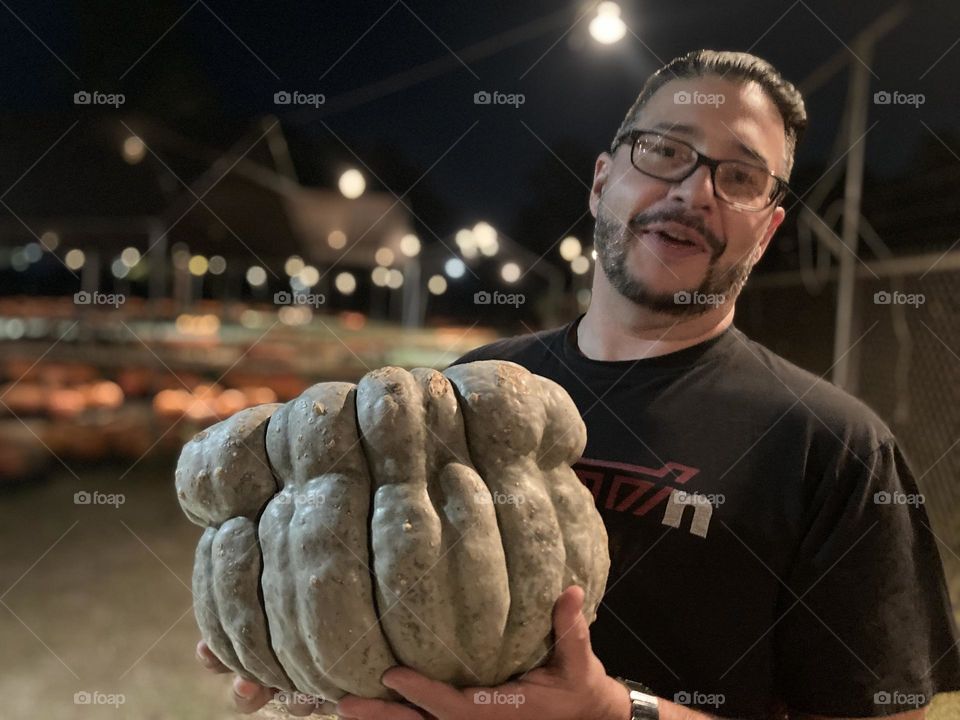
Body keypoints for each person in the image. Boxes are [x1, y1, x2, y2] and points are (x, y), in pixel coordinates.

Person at [198, 49, 960, 719]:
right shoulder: (467, 395)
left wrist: (613, 713)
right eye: (665, 151)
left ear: (766, 230)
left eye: (740, 177)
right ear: (602, 181)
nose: (694, 192)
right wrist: (309, 654)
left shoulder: (831, 447)